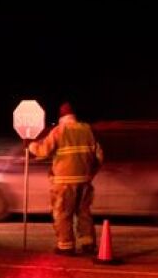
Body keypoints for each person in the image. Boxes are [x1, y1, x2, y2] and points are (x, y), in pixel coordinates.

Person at [27, 101, 103, 255]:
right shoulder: (87, 130)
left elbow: (43, 151)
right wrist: (91, 174)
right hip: (84, 181)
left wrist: (30, 145)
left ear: (61, 117)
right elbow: (100, 156)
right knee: (84, 213)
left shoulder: (58, 131)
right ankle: (88, 244)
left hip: (64, 183)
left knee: (63, 213)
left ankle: (66, 246)